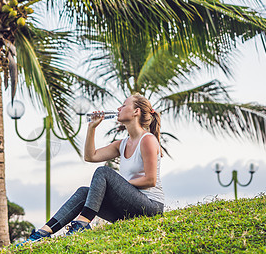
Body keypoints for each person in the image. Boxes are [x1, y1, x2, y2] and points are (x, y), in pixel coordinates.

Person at [18, 94, 164, 245]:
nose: (118, 109)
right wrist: (91, 128)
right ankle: (42, 233)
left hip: (150, 207)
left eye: (124, 105)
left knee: (104, 172)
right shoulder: (122, 144)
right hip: (127, 209)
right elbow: (90, 157)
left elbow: (150, 180)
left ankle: (82, 223)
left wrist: (119, 186)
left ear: (136, 111)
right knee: (83, 192)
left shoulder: (147, 140)